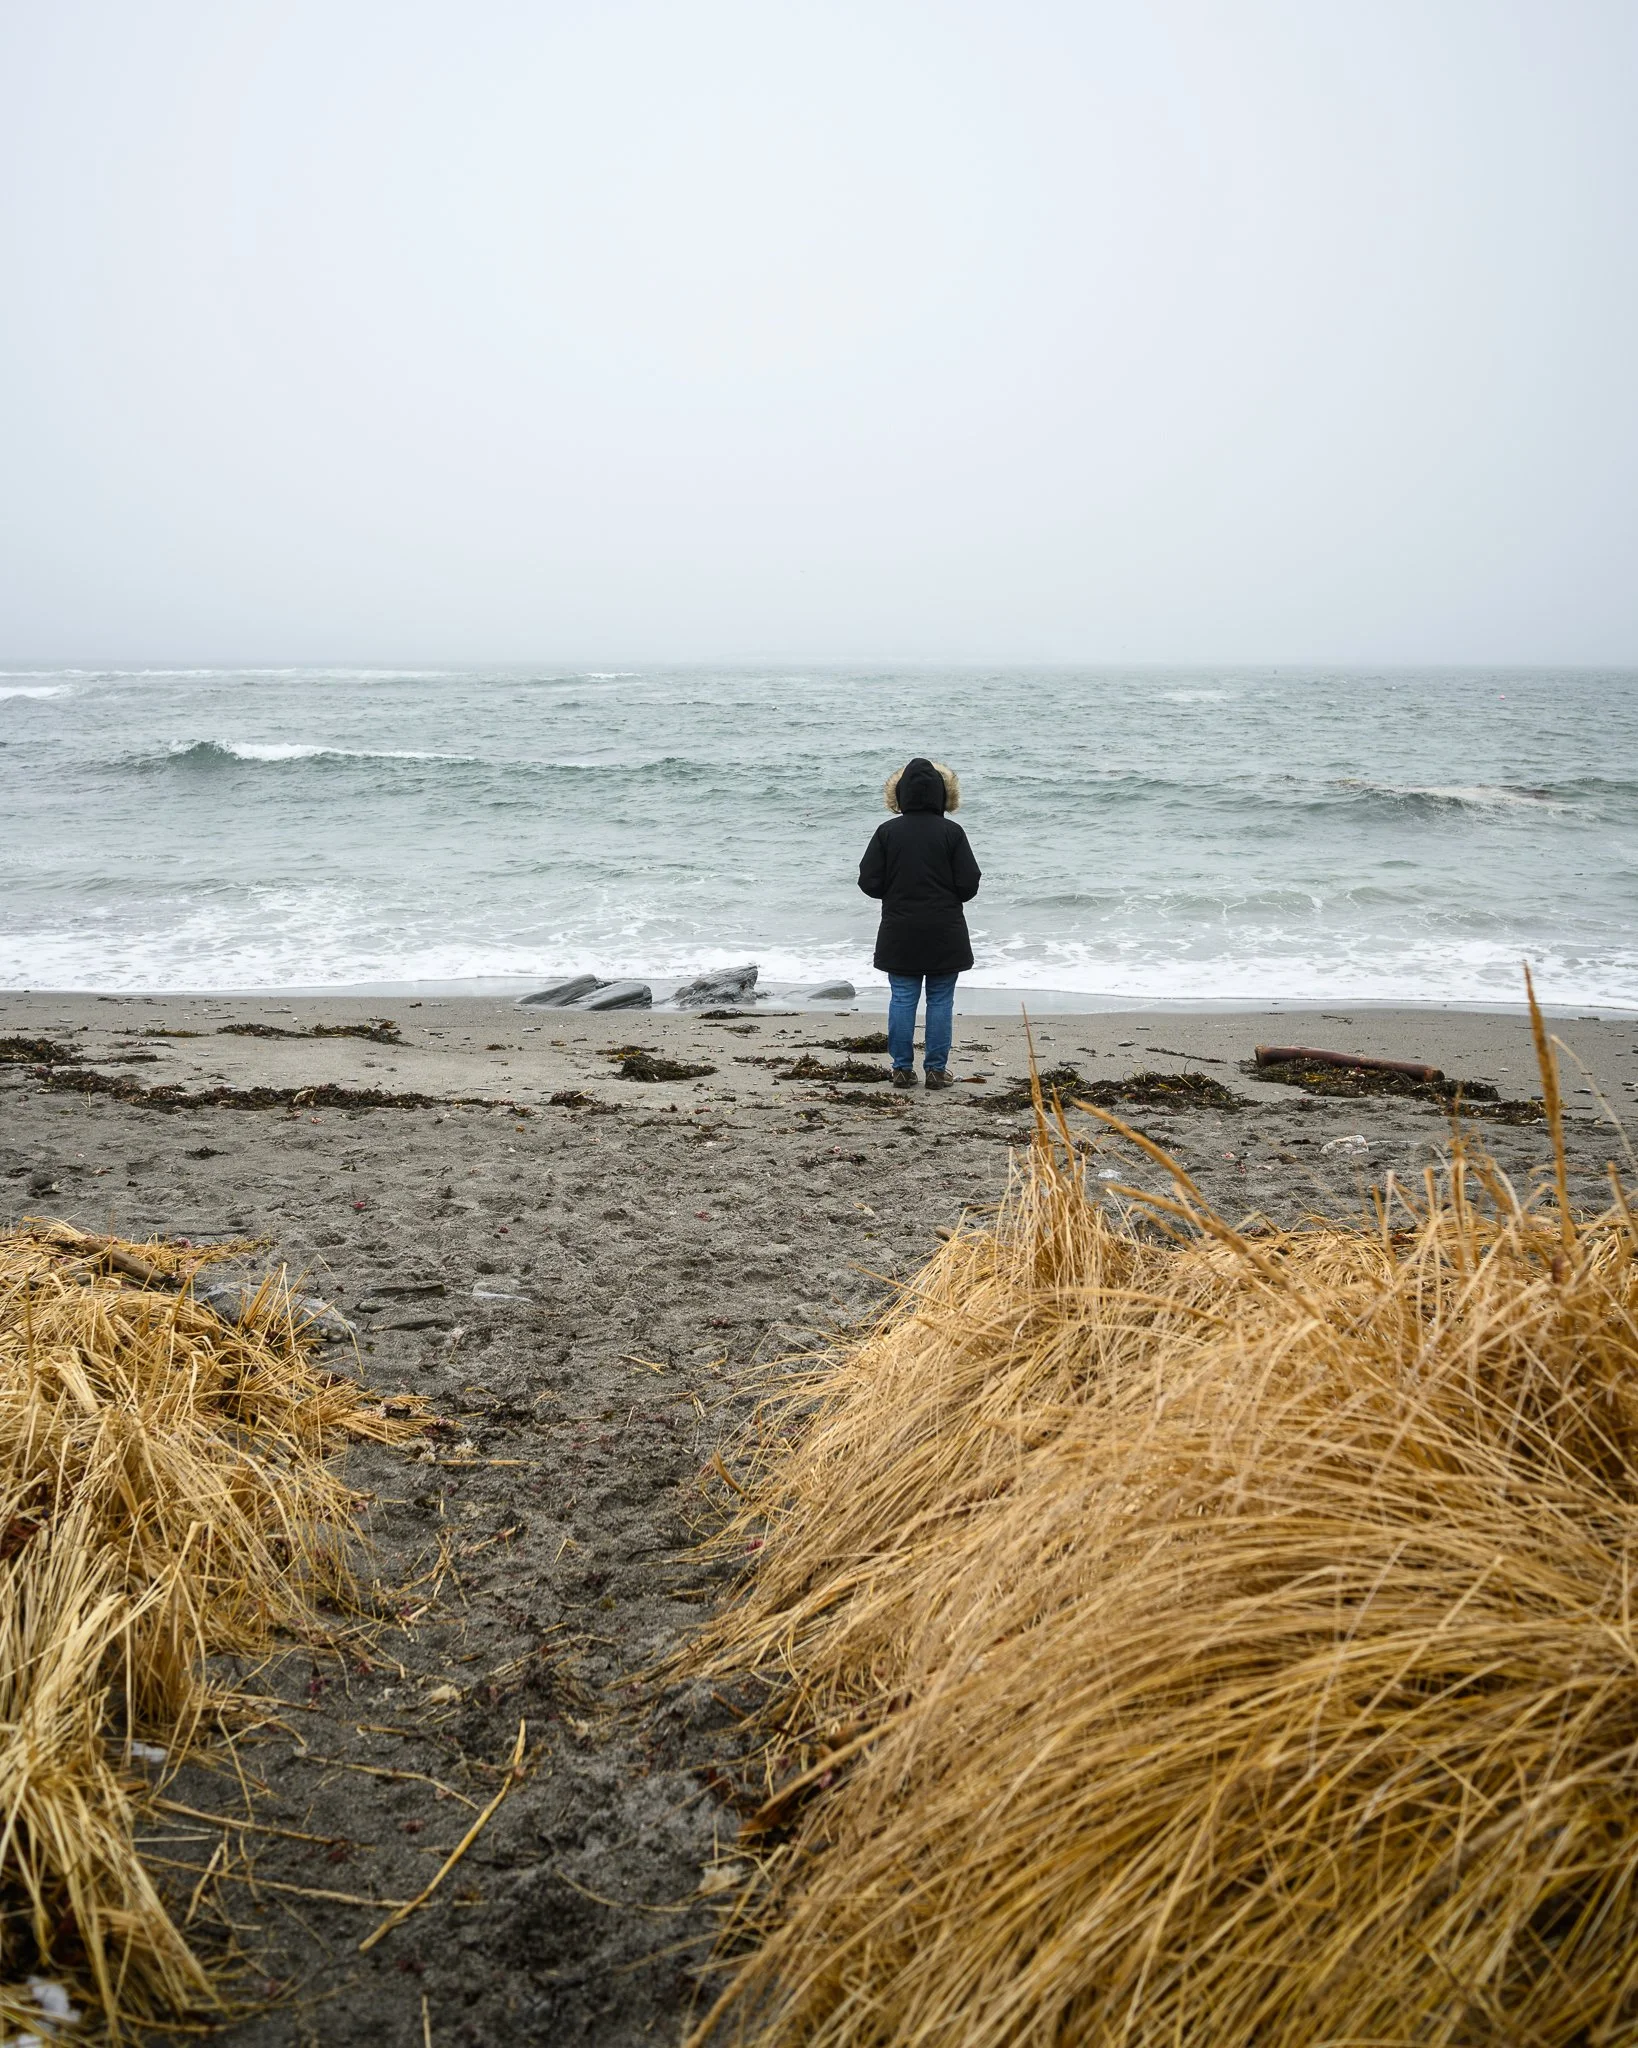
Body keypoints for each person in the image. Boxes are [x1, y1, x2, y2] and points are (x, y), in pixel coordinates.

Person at [857, 757, 981, 1090]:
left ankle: (901, 1069)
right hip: (945, 930)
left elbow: (868, 882)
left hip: (899, 930)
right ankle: (937, 1071)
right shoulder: (953, 833)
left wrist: (896, 892)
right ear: (944, 795)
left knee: (902, 999)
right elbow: (969, 885)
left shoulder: (887, 832)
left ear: (899, 795)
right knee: (941, 1000)